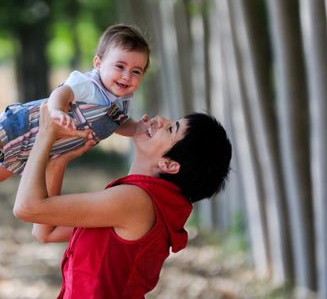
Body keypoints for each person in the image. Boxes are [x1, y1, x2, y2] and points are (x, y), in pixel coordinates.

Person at [13, 103, 232, 298]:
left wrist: (45, 135)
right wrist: (58, 161)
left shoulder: (135, 201)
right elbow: (46, 230)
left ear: (168, 164)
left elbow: (27, 208)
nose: (159, 120)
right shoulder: (142, 199)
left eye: (171, 128)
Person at [0, 24, 151, 182]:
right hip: (27, 125)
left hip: (42, 147)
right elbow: (62, 93)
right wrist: (58, 110)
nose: (126, 76)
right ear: (98, 63)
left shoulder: (120, 105)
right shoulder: (87, 84)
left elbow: (120, 125)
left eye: (136, 71)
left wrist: (138, 129)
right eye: (119, 66)